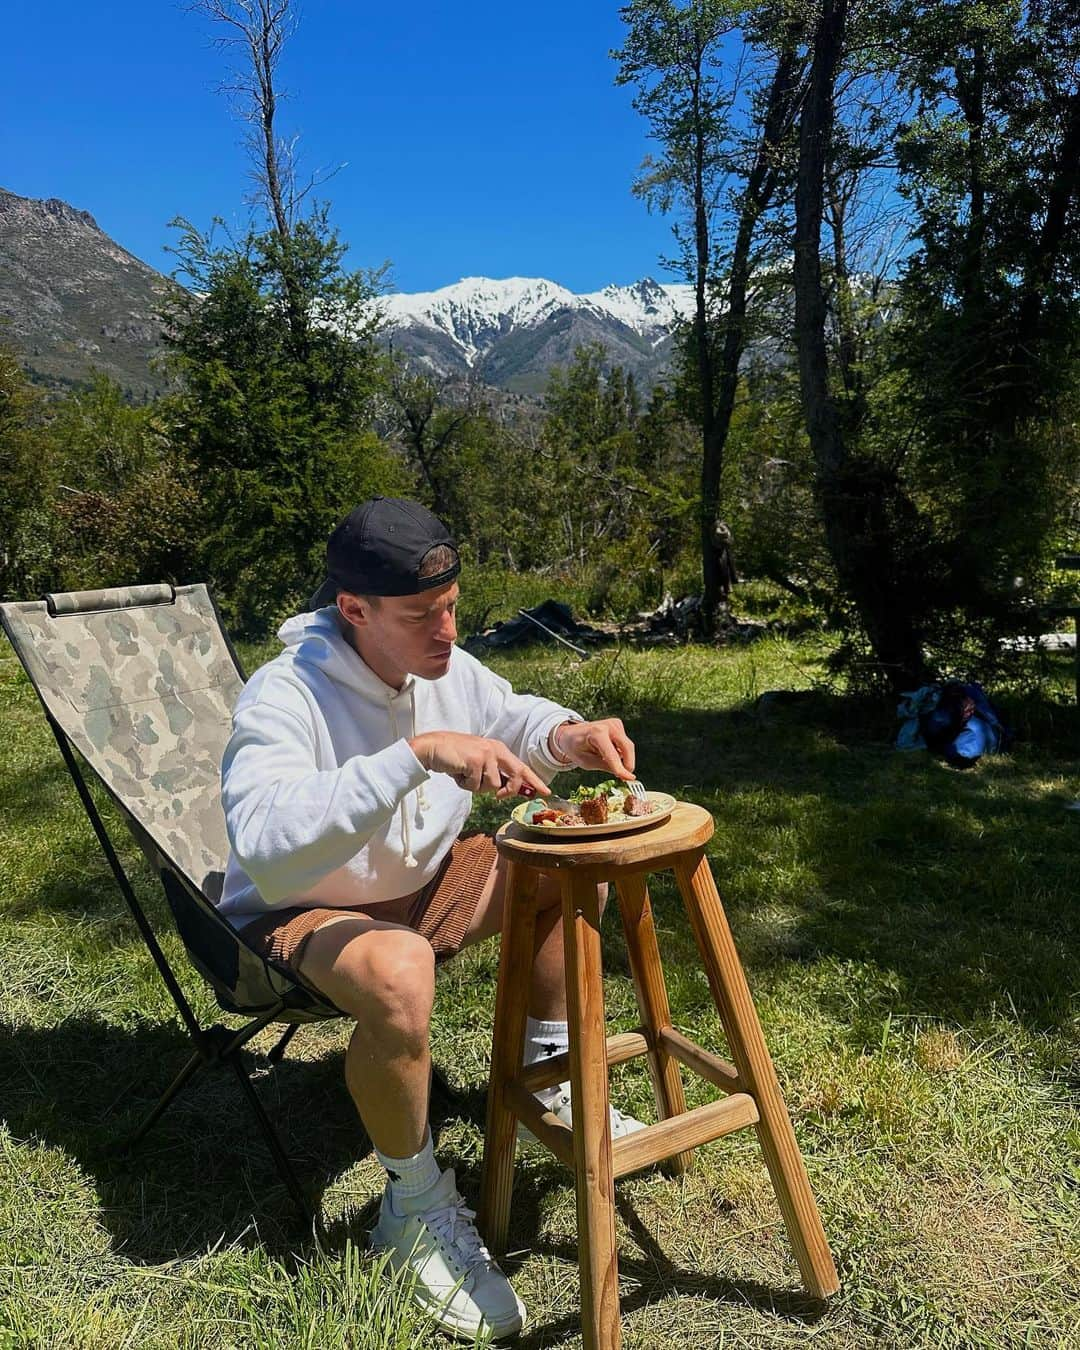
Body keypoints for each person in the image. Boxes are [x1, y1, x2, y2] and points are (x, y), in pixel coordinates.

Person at [216, 496, 646, 1341]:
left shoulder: (441, 661)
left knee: (572, 862)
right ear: (354, 610)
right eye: (423, 616)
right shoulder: (284, 695)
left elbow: (508, 711)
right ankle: (412, 1205)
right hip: (303, 904)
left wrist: (567, 735)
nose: (448, 631)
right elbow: (265, 843)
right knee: (400, 967)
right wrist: (415, 758)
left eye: (451, 607)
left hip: (424, 885)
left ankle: (548, 1077)